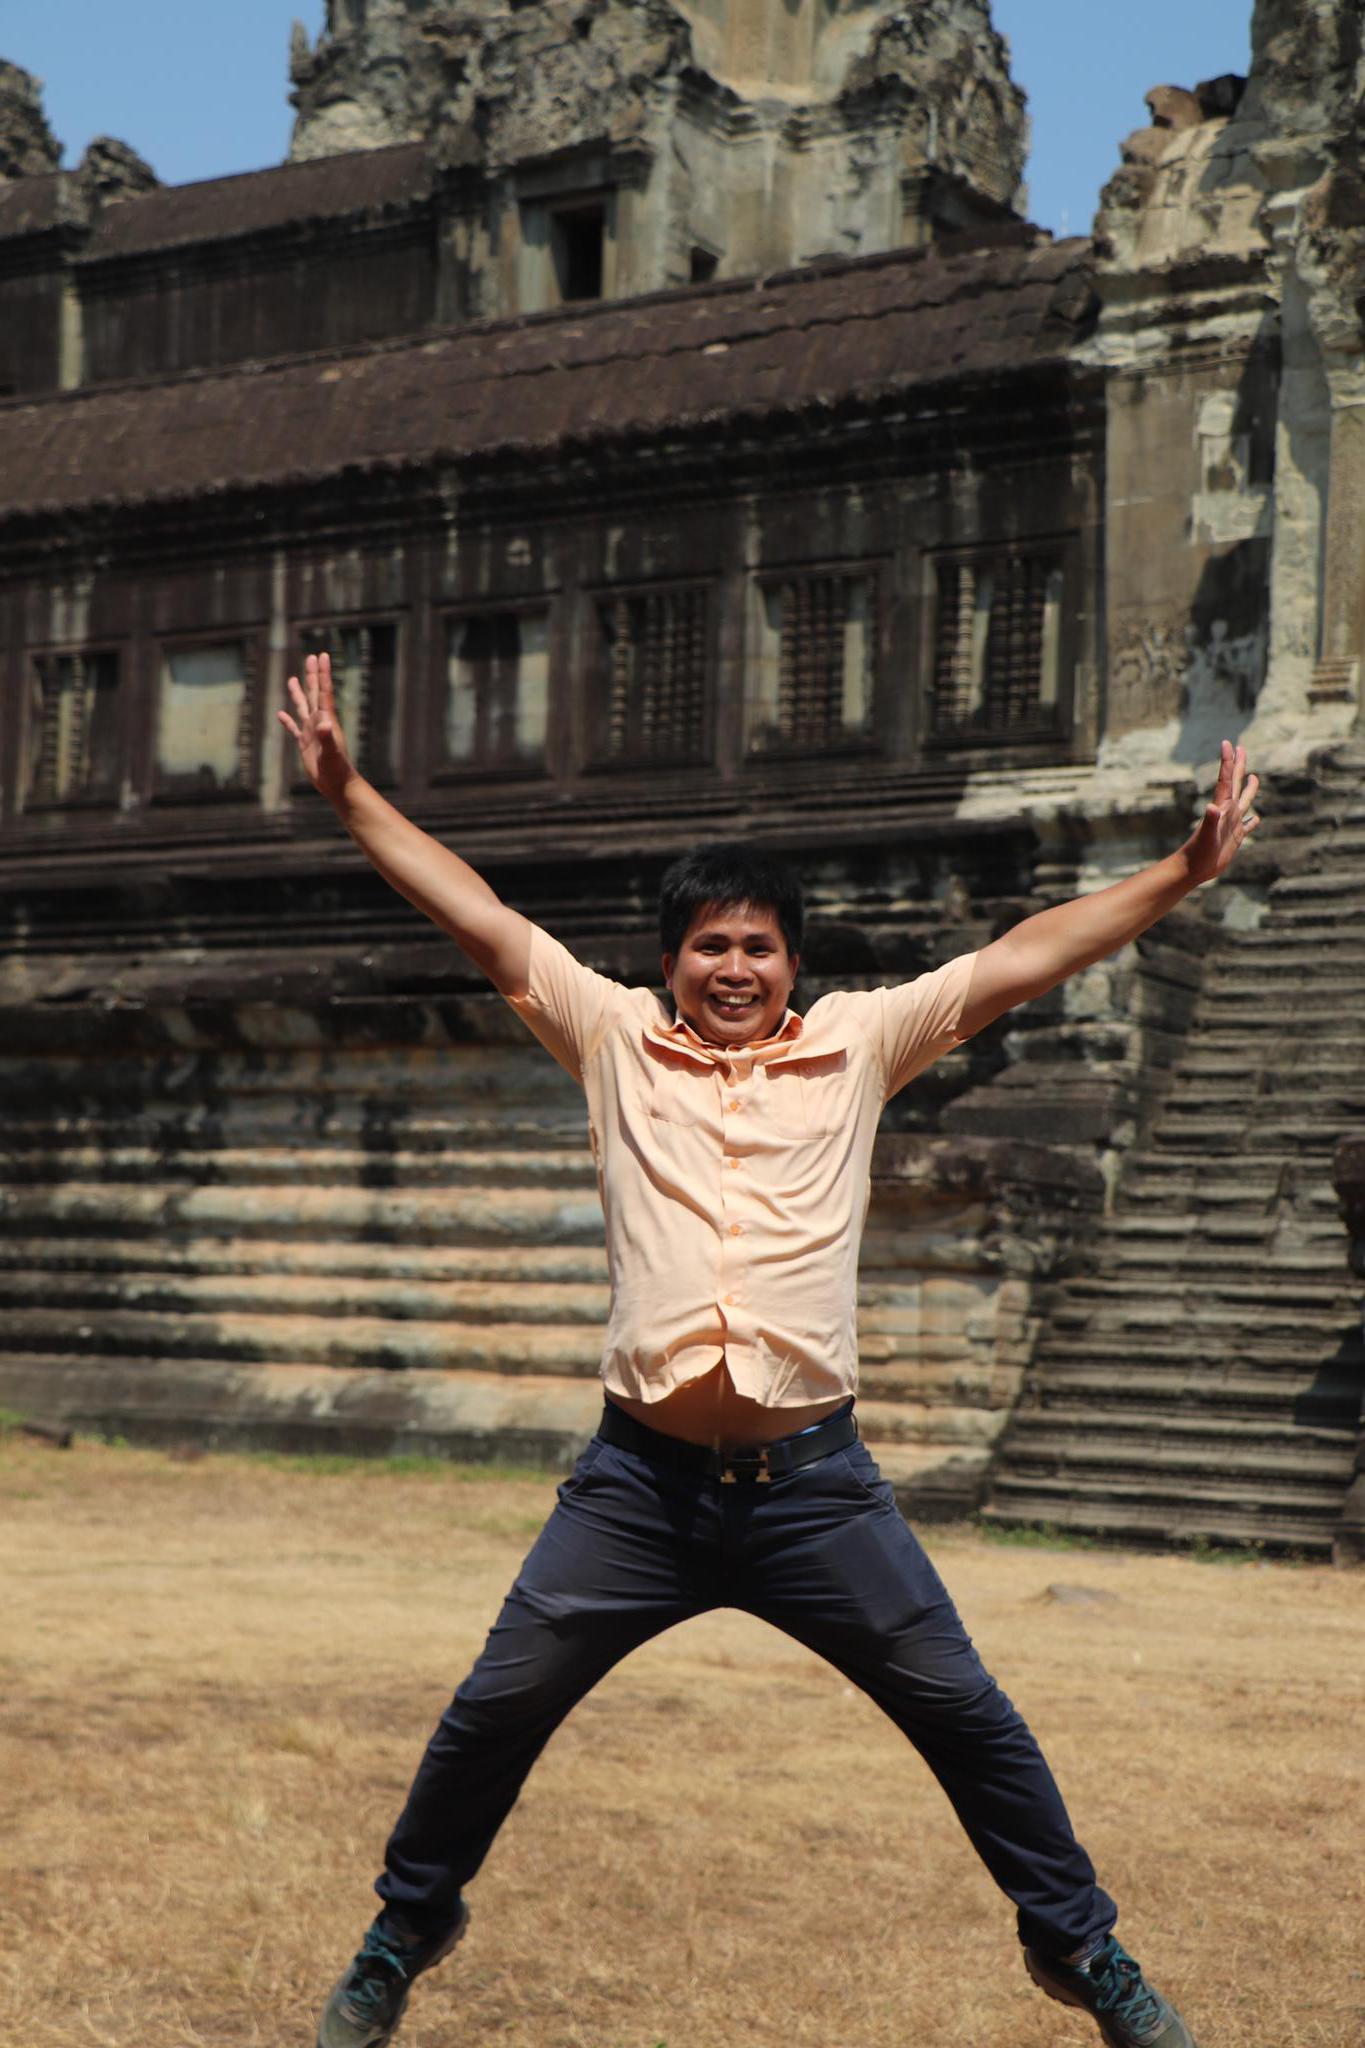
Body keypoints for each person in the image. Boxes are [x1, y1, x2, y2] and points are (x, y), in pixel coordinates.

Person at [282, 652, 1259, 2048]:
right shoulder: (613, 1040)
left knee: (966, 1714)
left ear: (791, 964)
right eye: (707, 946)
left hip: (814, 1491)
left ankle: (1081, 1953)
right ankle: (406, 1926)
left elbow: (1025, 954)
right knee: (492, 1707)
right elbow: (482, 920)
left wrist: (1179, 873)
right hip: (638, 1493)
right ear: (666, 961)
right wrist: (346, 792)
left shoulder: (860, 1045)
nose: (732, 969)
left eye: (758, 947)